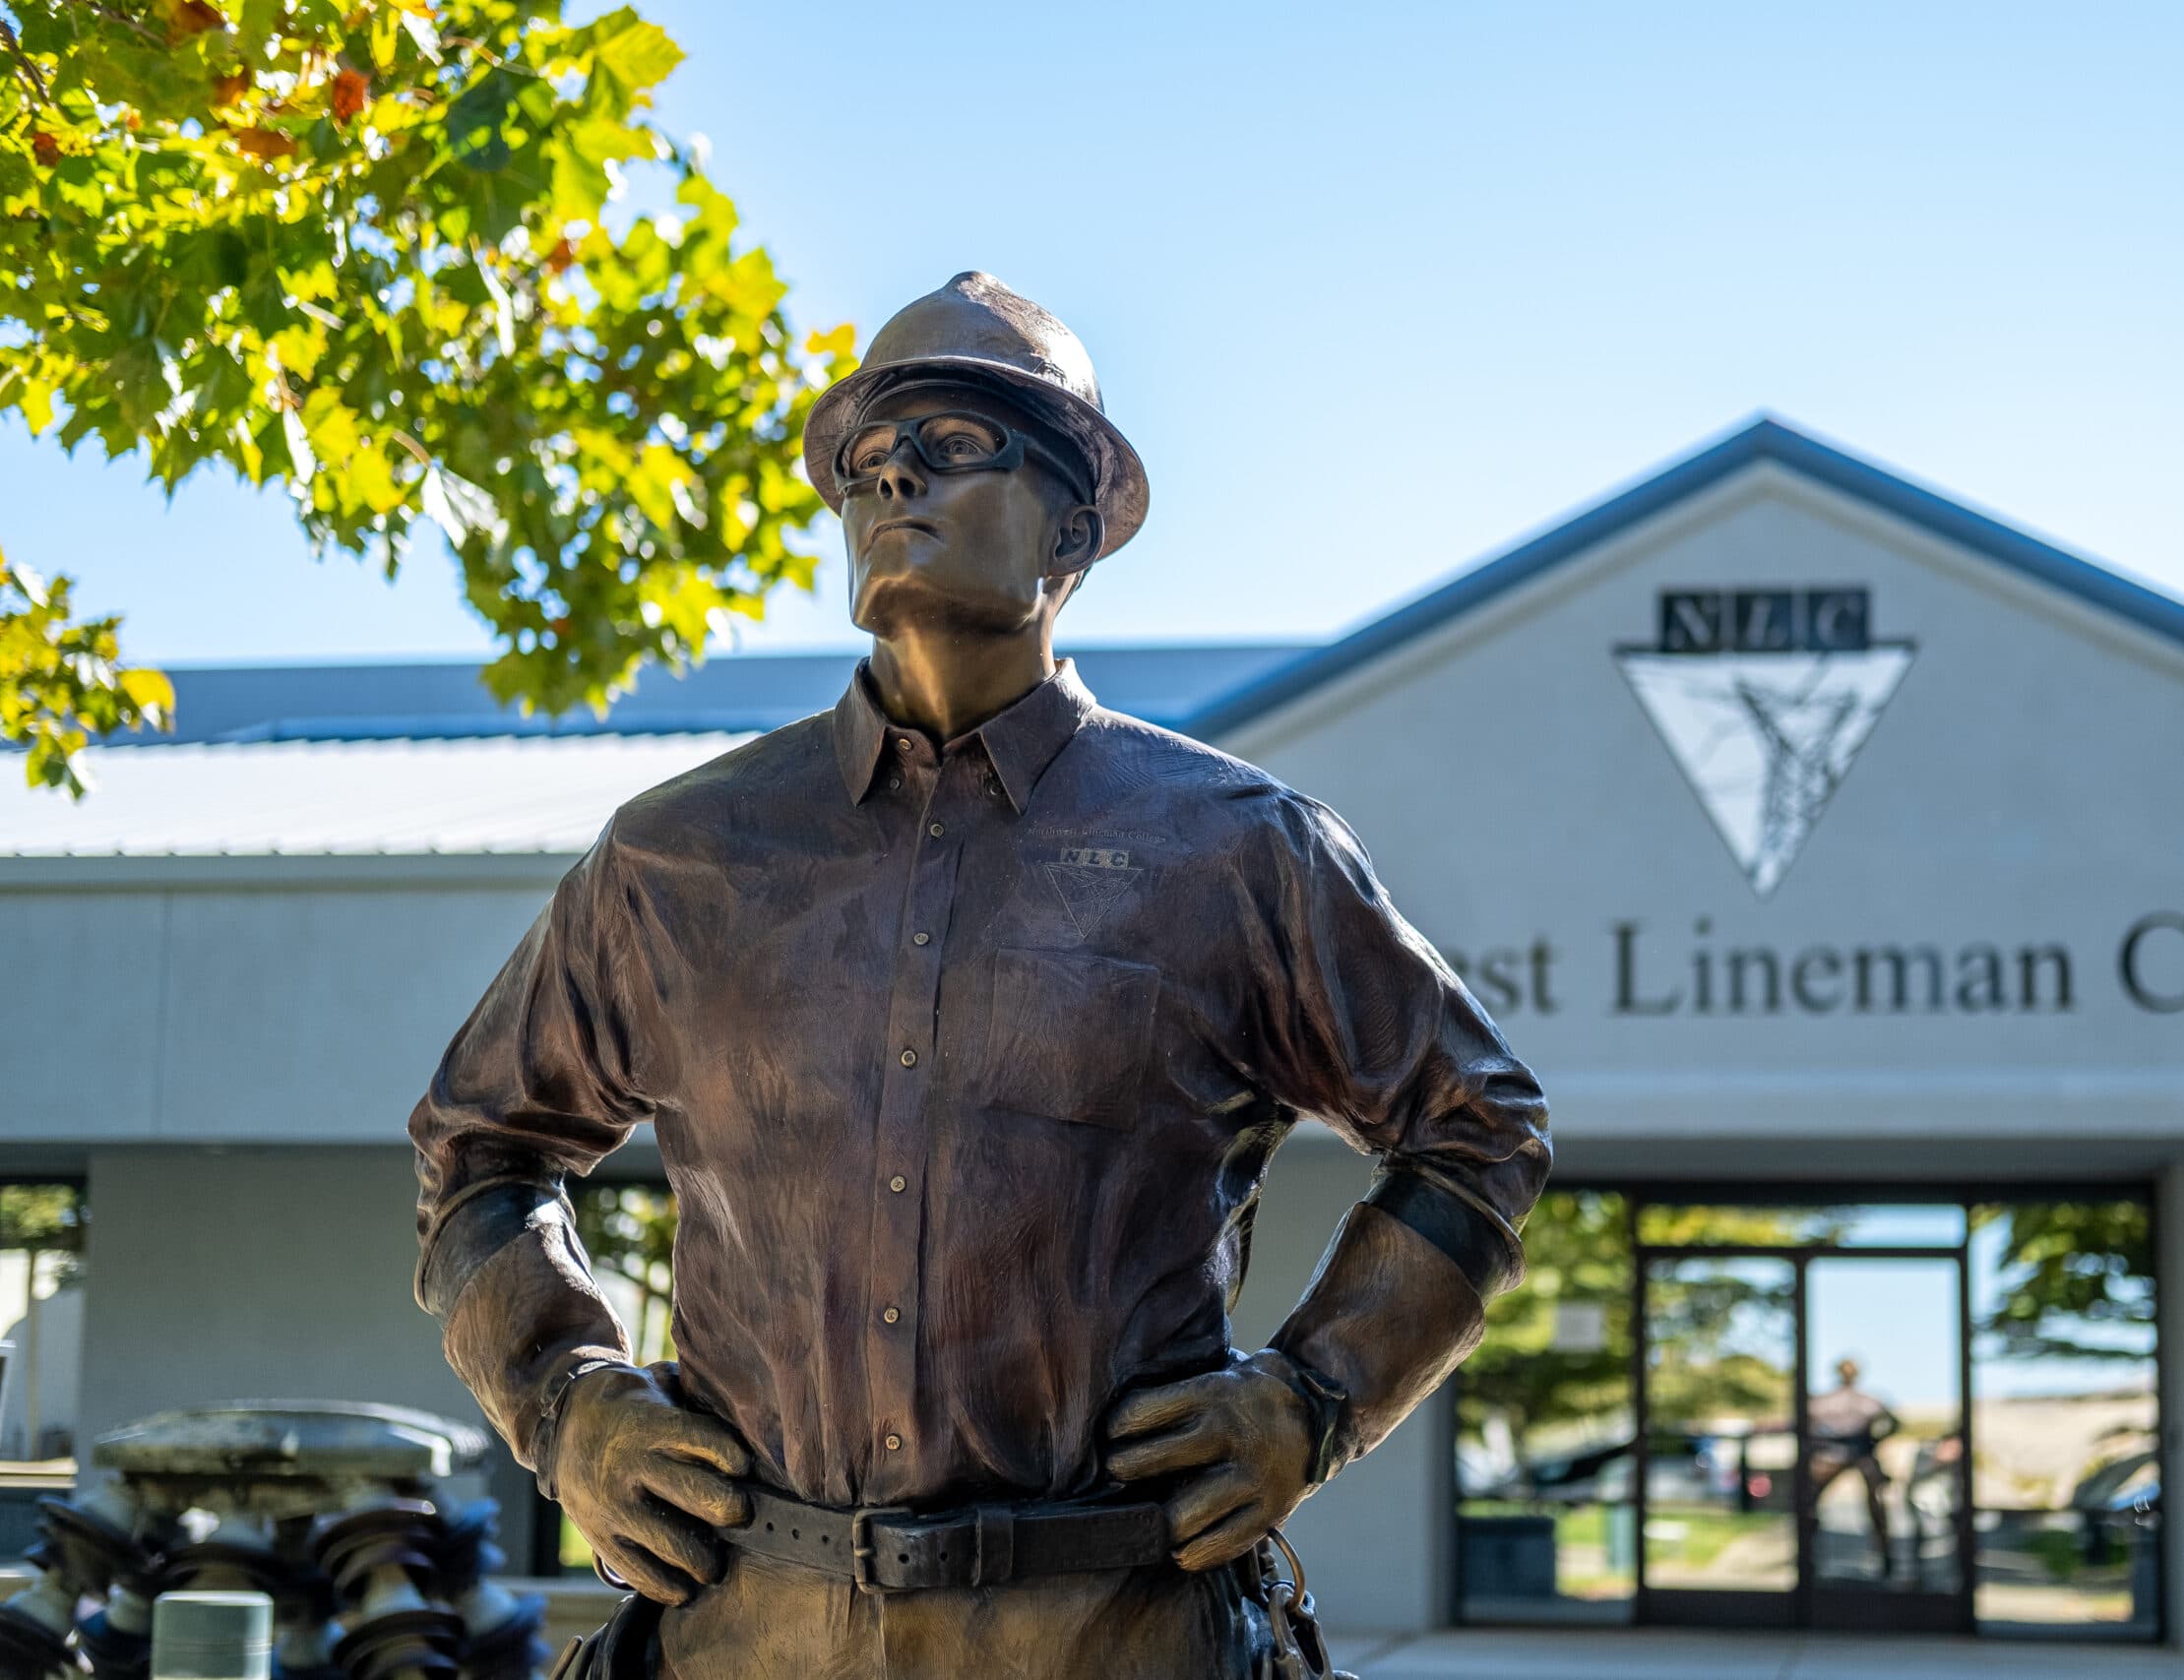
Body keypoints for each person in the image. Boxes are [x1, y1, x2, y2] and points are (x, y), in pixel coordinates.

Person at [406, 273, 1551, 1679]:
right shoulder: (677, 858)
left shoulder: (1236, 851)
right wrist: (566, 1399)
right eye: (867, 462)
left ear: (1071, 524)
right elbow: (479, 1145)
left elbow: (1477, 1122)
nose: (893, 474)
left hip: (1121, 1635)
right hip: (747, 1634)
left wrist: (1316, 1394)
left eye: (953, 444)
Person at [1804, 1356, 1900, 1580]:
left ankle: (1885, 1557)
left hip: (1848, 1454)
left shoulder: (1826, 1401)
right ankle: (1808, 1556)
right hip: (1843, 1453)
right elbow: (1893, 1424)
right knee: (1809, 1502)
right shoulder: (1867, 1401)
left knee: (1876, 1504)